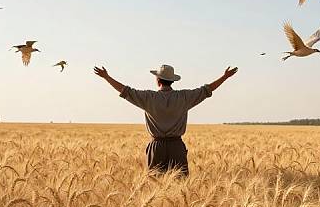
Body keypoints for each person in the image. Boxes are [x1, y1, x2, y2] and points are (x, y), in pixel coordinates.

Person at [93, 64, 238, 176]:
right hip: (177, 147)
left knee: (155, 187)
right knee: (180, 186)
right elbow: (206, 90)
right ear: (172, 81)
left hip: (156, 148)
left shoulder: (148, 98)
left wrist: (107, 77)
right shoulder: (184, 97)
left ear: (157, 80)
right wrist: (225, 77)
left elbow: (125, 91)